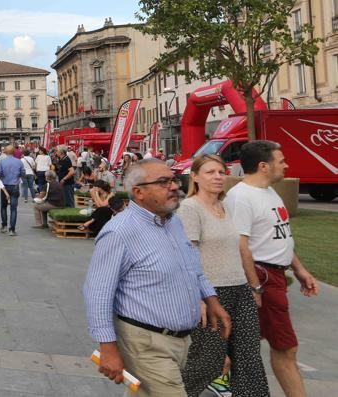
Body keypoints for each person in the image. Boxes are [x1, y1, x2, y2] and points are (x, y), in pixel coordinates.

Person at [84, 159, 231, 397]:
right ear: (139, 192)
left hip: (181, 339)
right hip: (145, 342)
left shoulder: (173, 222)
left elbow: (192, 266)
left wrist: (211, 299)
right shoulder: (119, 232)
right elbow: (98, 292)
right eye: (163, 182)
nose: (174, 186)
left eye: (173, 179)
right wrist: (108, 347)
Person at [224, 140, 318, 396]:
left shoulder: (268, 192)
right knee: (285, 347)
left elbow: (280, 236)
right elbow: (241, 246)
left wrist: (299, 269)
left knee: (250, 344)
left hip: (275, 274)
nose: (286, 165)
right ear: (264, 166)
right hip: (263, 278)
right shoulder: (241, 197)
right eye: (281, 160)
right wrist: (255, 286)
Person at [177, 155, 269, 397]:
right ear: (195, 177)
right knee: (207, 361)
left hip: (239, 291)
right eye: (210, 172)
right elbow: (188, 256)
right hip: (212, 294)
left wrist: (253, 287)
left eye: (221, 171)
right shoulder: (189, 208)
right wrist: (198, 297)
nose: (218, 176)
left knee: (249, 358)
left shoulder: (225, 206)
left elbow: (239, 248)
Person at [0, 145, 23, 236]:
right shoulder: (19, 162)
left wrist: (3, 177)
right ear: (14, 152)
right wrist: (17, 177)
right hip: (15, 185)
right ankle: (12, 229)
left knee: (3, 206)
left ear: (6, 152)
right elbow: (23, 173)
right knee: (13, 208)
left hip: (5, 186)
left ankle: (4, 225)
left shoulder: (2, 162)